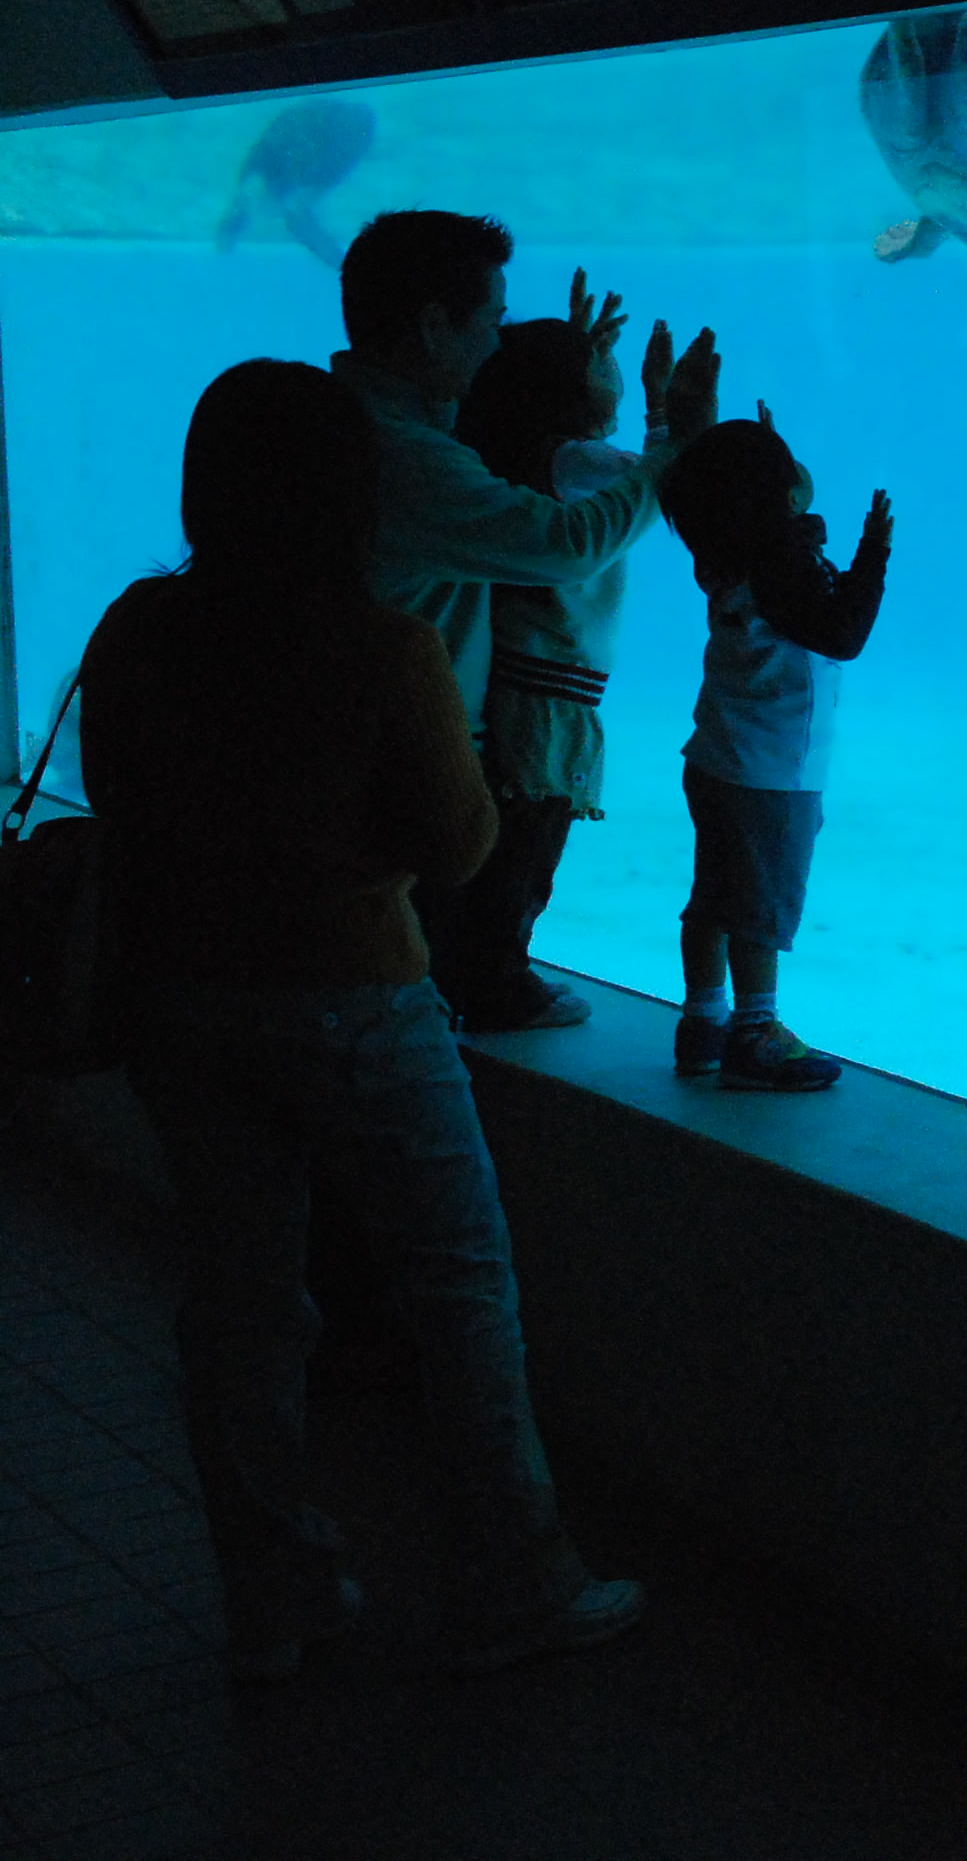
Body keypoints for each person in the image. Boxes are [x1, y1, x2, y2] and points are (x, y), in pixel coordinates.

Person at [90, 360, 643, 1678]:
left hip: (180, 1001)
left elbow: (118, 796)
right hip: (356, 1000)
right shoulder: (380, 642)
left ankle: (275, 1602)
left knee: (237, 1306)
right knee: (456, 1281)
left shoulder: (136, 628)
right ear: (351, 490)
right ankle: (515, 1580)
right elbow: (462, 842)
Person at [331, 210, 713, 1029]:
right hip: (390, 764)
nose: (498, 345)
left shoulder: (348, 423)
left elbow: (490, 438)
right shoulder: (405, 457)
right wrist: (676, 442)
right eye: (492, 325)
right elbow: (570, 542)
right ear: (435, 326)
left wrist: (564, 375)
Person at [657, 412, 892, 1092]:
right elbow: (842, 633)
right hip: (773, 773)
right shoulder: (779, 563)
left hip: (717, 758)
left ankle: (702, 1021)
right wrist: (873, 553)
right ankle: (755, 1032)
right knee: (758, 905)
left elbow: (782, 526)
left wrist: (776, 478)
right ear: (772, 498)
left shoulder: (724, 553)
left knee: (712, 896)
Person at [447, 306, 642, 1022]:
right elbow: (661, 477)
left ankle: (477, 970)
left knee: (510, 841)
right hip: (549, 689)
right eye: (597, 367)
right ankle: (498, 982)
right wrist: (680, 423)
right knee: (529, 846)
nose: (611, 373)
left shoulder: (502, 445)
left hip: (519, 677)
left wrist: (582, 353)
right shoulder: (572, 462)